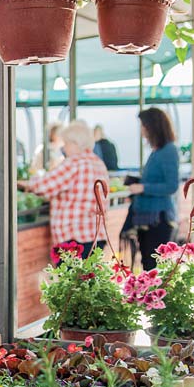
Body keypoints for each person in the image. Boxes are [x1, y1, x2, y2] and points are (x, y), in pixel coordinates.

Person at [19, 120, 109, 258]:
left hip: (74, 237)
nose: (64, 148)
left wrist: (21, 184)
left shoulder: (74, 163)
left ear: (75, 144)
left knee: (71, 279)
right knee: (89, 278)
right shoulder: (98, 162)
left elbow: (43, 186)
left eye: (66, 143)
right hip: (95, 234)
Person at [127, 107, 180, 271]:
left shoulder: (168, 151)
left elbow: (172, 186)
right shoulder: (157, 151)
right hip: (147, 218)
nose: (142, 131)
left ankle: (157, 297)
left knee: (154, 267)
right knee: (148, 266)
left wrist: (143, 187)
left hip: (158, 219)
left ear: (153, 127)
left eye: (144, 126)